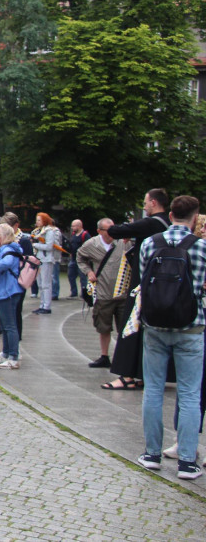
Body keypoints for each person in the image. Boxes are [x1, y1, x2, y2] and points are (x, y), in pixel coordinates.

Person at [137, 195, 205, 480]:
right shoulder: (201, 247)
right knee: (189, 394)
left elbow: (143, 282)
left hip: (155, 326)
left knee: (153, 389)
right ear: (194, 216)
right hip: (191, 326)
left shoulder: (150, 243)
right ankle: (187, 462)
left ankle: (152, 454)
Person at [103, 188, 171, 390]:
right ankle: (142, 373)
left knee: (131, 325)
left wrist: (116, 227)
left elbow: (114, 231)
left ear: (153, 203)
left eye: (146, 202)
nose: (144, 205)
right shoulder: (167, 224)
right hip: (160, 284)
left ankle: (127, 375)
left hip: (141, 283)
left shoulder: (151, 223)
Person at [76, 219, 126, 369]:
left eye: (113, 229)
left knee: (124, 328)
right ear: (99, 231)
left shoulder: (123, 242)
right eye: (108, 230)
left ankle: (123, 357)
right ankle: (104, 356)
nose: (112, 233)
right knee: (103, 327)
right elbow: (80, 257)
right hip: (103, 293)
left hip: (122, 292)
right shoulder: (92, 244)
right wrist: (88, 271)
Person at [0, 224, 24, 369]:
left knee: (9, 326)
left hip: (7, 292)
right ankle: (6, 353)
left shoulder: (8, 249)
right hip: (5, 291)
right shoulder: (8, 248)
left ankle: (13, 357)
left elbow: (6, 263)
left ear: (4, 236)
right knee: (6, 325)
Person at [1, 213, 32, 342]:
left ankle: (16, 337)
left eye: (7, 227)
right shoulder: (3, 239)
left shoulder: (23, 240)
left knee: (16, 309)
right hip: (5, 279)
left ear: (16, 226)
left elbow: (29, 261)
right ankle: (6, 336)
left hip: (18, 280)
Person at [30, 213, 61, 314]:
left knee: (46, 284)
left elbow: (49, 246)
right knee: (40, 284)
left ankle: (47, 306)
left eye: (39, 220)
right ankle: (42, 304)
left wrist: (35, 244)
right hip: (39, 259)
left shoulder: (49, 231)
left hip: (46, 259)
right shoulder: (39, 231)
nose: (37, 222)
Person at [65, 219, 92, 299]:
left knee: (83, 277)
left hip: (82, 259)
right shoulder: (73, 234)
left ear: (79, 226)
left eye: (73, 226)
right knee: (70, 275)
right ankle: (74, 292)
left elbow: (88, 246)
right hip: (73, 258)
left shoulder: (85, 235)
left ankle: (84, 293)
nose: (72, 227)